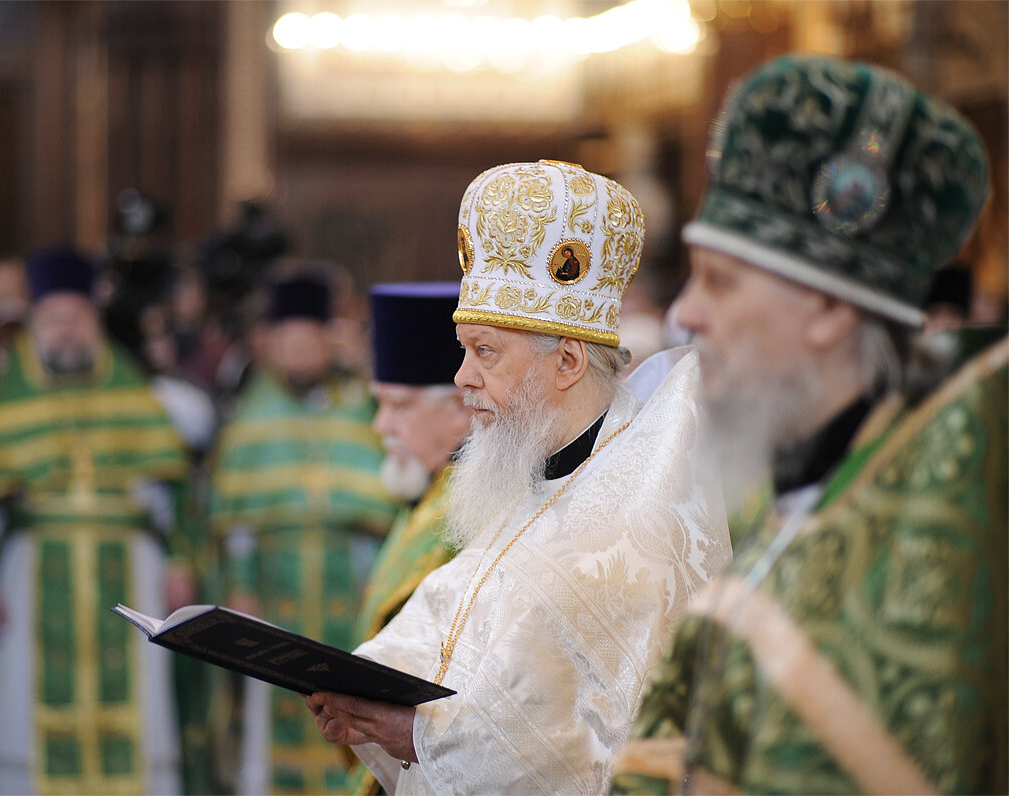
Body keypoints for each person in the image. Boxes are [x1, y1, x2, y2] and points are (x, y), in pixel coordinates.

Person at [611, 55, 1005, 795]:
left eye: (720, 281)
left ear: (828, 309)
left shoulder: (925, 549)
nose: (685, 314)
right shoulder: (812, 497)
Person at [307, 160, 732, 794]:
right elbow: (454, 620)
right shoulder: (536, 478)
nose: (461, 379)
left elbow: (596, 749)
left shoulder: (643, 514)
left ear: (566, 360)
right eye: (464, 351)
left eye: (486, 352)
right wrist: (366, 678)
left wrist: (420, 735)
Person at [0, 247, 196, 794]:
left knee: (137, 703)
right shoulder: (4, 407)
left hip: (130, 565)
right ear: (33, 327)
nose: (66, 332)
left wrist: (180, 560)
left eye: (77, 319)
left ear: (95, 325)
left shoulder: (135, 396)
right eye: (53, 320)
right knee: (31, 706)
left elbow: (176, 496)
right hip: (32, 571)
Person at [207, 269, 400, 794]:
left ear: (325, 340)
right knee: (279, 708)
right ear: (271, 345)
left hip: (349, 579)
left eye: (307, 340)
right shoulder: (250, 417)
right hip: (275, 586)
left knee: (352, 703)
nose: (297, 352)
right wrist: (240, 587)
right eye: (286, 341)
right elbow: (238, 524)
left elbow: (384, 512)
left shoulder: (360, 407)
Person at [345, 282, 474, 795]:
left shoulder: (470, 511)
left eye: (398, 405)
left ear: (460, 410)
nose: (380, 425)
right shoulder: (426, 493)